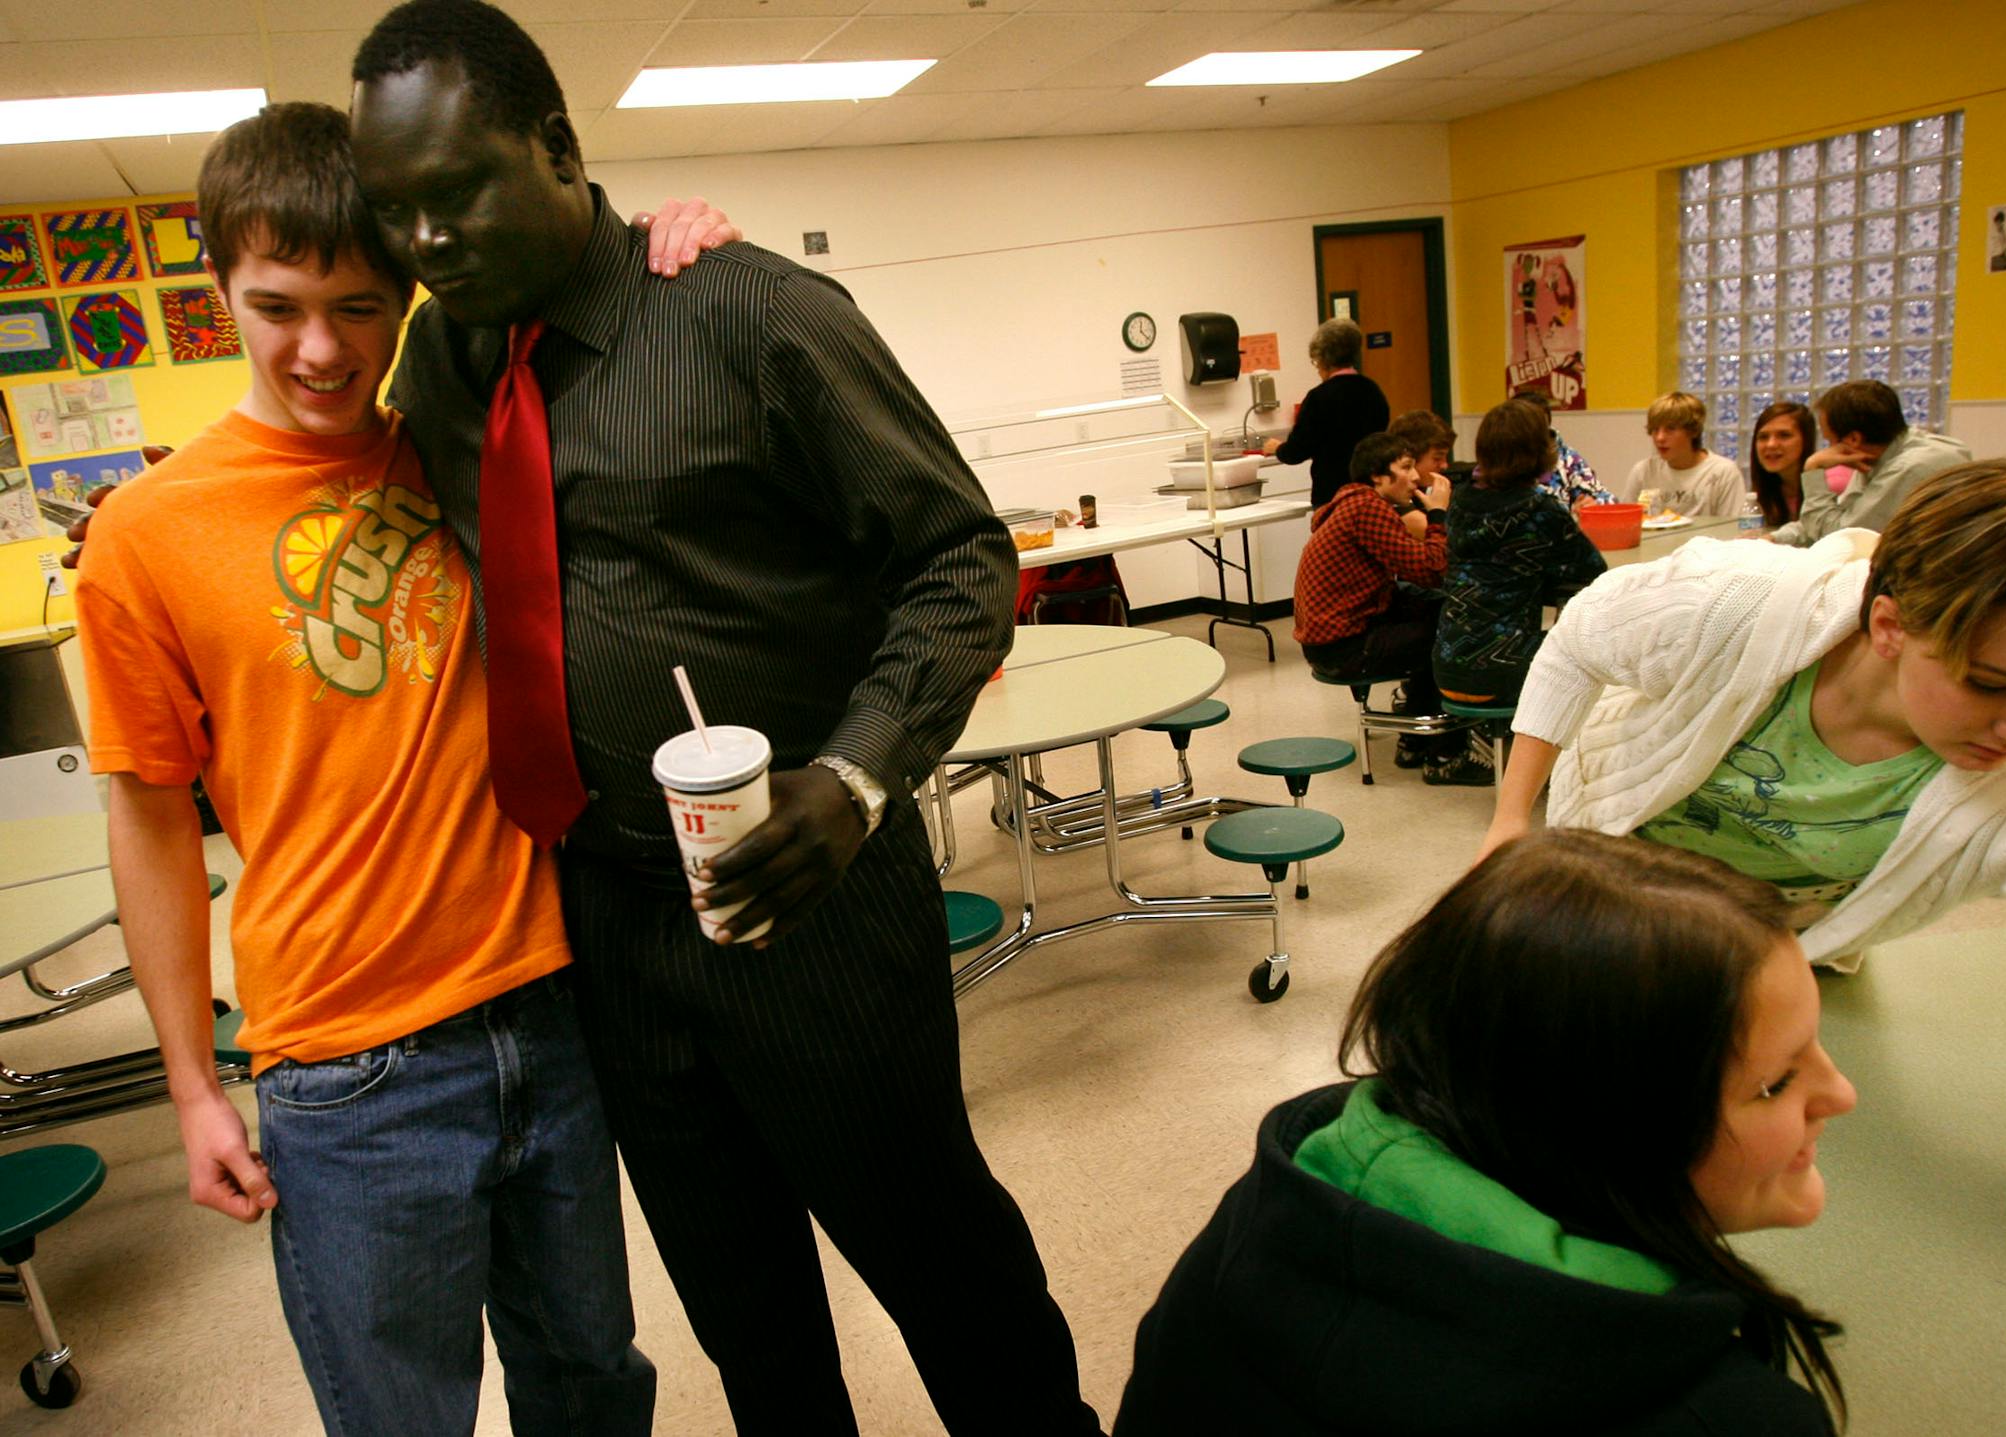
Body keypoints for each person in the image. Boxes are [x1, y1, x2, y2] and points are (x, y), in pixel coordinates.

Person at [346, 4, 1099, 1433]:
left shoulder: (754, 311)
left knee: (947, 1271)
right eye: (399, 214)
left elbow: (960, 562)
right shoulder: (443, 363)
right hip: (610, 919)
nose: (428, 241)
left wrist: (859, 778)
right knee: (742, 1312)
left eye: (456, 193)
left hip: (809, 888)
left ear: (558, 148)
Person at [74, 102, 657, 1434]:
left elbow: (605, 300)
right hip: (348, 1073)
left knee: (594, 1390)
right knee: (405, 1419)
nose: (321, 348)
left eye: (357, 305)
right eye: (276, 305)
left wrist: (685, 239)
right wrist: (189, 1084)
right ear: (215, 276)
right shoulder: (146, 536)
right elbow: (151, 819)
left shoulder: (461, 433)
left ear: (407, 288)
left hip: (549, 1010)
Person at [1479, 458, 2006, 1129]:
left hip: (1776, 938)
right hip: (1621, 873)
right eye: (1988, 683)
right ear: (1890, 625)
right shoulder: (1734, 601)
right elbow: (1578, 640)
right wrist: (1512, 819)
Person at [1115, 830, 1854, 1435]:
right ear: (1608, 1128)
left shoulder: (1274, 1212)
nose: (1841, 1094)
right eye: (1777, 1082)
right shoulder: (1729, 1417)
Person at [1425, 398, 1607, 786]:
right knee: (1584, 653)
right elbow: (1593, 571)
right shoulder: (1539, 508)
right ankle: (1572, 772)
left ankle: (1483, 752)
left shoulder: (1459, 503)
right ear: (1541, 452)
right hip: (1502, 669)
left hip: (1447, 662)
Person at [1294, 432, 1449, 766]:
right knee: (1448, 630)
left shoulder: (1351, 504)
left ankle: (1418, 734)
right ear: (1378, 476)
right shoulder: (1367, 508)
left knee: (1434, 609)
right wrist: (1438, 515)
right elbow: (1432, 569)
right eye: (1406, 467)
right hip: (1345, 649)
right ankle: (1438, 746)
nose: (1415, 477)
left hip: (1329, 644)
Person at [1769, 380, 1969, 547]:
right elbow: (1836, 517)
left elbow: (1839, 539)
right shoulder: (1879, 454)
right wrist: (1774, 538)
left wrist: (1813, 468)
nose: (1829, 451)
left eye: (1830, 441)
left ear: (1853, 439)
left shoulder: (1912, 467)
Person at [1260, 317, 1390, 508]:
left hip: (1332, 495)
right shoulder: (1373, 391)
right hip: (1372, 492)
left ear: (1323, 359)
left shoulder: (1318, 398)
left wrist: (1277, 448)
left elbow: (1297, 451)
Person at [1615, 391, 1745, 517]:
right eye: (1655, 429)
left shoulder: (1723, 473)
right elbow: (1625, 522)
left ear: (1693, 431)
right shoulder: (1644, 471)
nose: (1660, 438)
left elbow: (1731, 528)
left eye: (1670, 429)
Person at [1517, 386, 1613, 508]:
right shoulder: (1502, 463)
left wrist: (1593, 504)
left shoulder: (1567, 458)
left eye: (1540, 428)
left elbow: (1606, 498)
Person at [1750, 400, 1818, 529]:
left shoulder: (1830, 484)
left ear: (1807, 440)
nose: (1771, 444)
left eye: (1784, 435)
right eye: (1763, 437)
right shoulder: (1768, 489)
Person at [1386, 407, 1456, 512]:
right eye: (1437, 458)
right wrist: (1438, 509)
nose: (1444, 465)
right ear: (1411, 457)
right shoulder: (1394, 503)